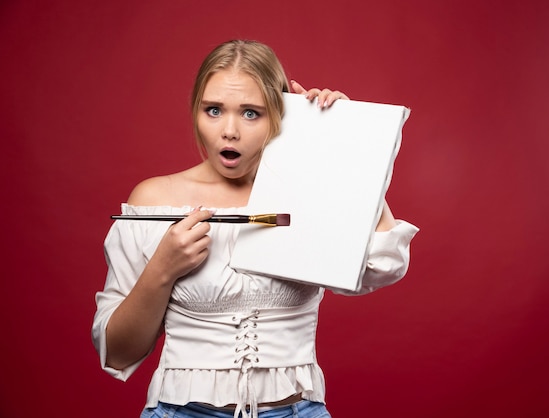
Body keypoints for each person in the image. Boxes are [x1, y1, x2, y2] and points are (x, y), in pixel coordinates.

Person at [92, 39, 419, 418]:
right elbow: (118, 352)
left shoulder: (308, 194)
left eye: (251, 113)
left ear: (281, 115)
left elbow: (381, 269)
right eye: (213, 110)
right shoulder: (154, 198)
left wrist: (343, 150)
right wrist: (162, 268)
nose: (229, 131)